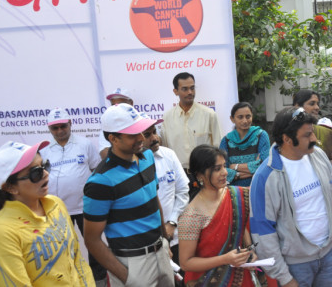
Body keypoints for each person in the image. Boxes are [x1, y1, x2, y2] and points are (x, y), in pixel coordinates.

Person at [250, 107, 332, 287]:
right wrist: (284, 277)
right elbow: (263, 231)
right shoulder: (265, 177)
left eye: (312, 133)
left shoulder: (319, 156)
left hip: (329, 255)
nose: (314, 139)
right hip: (295, 266)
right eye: (307, 135)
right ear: (287, 139)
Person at [83, 103, 175, 287]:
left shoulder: (147, 157)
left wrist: (164, 241)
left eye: (142, 131)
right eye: (133, 134)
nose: (142, 138)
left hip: (161, 253)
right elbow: (92, 240)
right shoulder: (100, 182)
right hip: (132, 264)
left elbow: (154, 202)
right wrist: (126, 276)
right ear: (113, 139)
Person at [0, 140, 95, 287]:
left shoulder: (56, 204)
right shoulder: (2, 230)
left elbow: (77, 259)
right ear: (10, 188)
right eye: (35, 173)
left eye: (45, 165)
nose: (46, 174)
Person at [41, 107, 107, 284]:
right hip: (58, 210)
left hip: (86, 206)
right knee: (63, 247)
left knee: (94, 245)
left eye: (63, 126)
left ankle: (100, 280)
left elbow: (96, 169)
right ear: (49, 129)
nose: (60, 131)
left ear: (70, 124)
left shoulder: (84, 144)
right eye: (55, 128)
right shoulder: (45, 150)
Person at [178, 144, 259, 286]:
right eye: (217, 169)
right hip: (208, 280)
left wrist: (249, 252)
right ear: (199, 175)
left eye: (224, 166)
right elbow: (186, 263)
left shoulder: (236, 195)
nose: (225, 172)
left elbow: (240, 227)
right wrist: (225, 259)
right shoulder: (191, 215)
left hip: (241, 276)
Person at [141, 115, 190, 263]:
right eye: (148, 135)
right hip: (146, 242)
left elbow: (182, 191)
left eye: (155, 132)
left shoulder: (168, 155)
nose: (155, 138)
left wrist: (172, 223)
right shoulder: (131, 166)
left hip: (174, 236)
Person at [160, 72, 223, 169]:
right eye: (185, 89)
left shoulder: (209, 114)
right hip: (178, 174)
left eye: (192, 88)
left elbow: (218, 146)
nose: (190, 92)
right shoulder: (167, 118)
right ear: (176, 91)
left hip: (204, 172)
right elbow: (165, 150)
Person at [220, 102, 270, 186]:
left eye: (248, 116)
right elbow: (222, 169)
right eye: (240, 117)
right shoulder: (226, 141)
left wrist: (235, 166)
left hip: (257, 187)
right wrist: (253, 170)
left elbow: (264, 165)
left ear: (252, 117)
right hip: (235, 191)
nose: (245, 121)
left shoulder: (261, 136)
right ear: (232, 119)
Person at [293, 89, 332, 165]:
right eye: (312, 104)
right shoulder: (288, 132)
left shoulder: (325, 133)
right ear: (297, 106)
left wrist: (322, 166)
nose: (317, 107)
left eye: (317, 104)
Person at [99, 87, 134, 158]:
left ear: (131, 103)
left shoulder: (142, 119)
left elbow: (157, 143)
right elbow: (104, 153)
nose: (117, 107)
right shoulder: (108, 125)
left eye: (121, 104)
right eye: (113, 105)